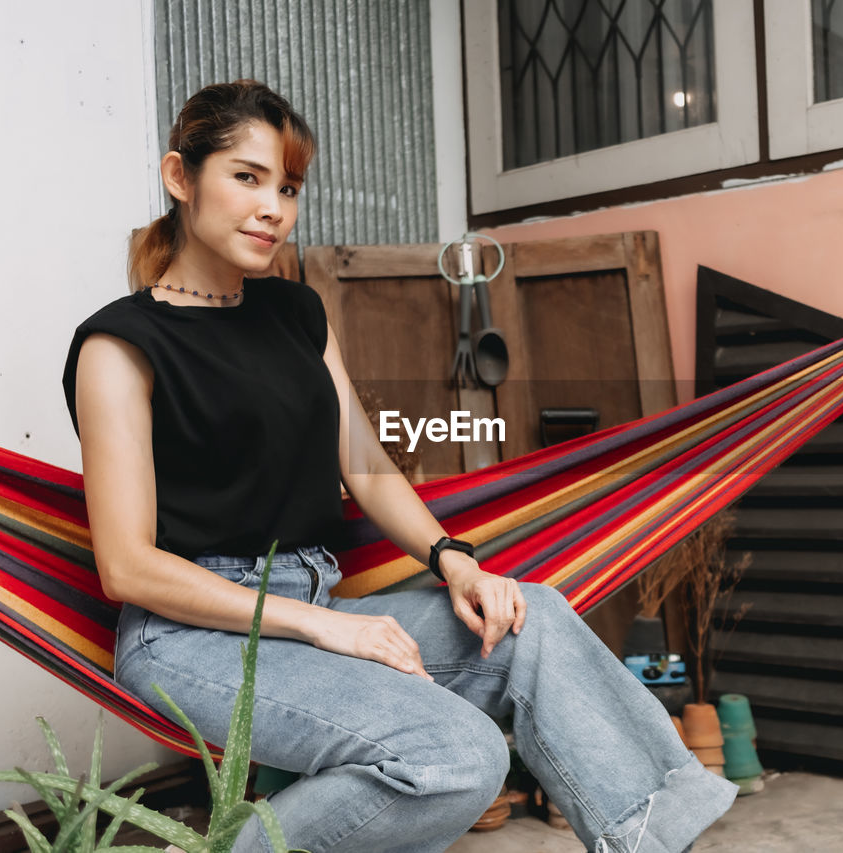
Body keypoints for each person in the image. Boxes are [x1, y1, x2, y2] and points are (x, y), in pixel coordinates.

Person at [61, 80, 737, 853]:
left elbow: (365, 464)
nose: (273, 207)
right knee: (458, 755)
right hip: (190, 638)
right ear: (181, 177)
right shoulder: (120, 345)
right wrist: (322, 628)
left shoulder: (296, 313)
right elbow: (127, 566)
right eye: (246, 177)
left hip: (314, 606)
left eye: (288, 186)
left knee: (530, 617)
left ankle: (654, 839)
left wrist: (454, 562)